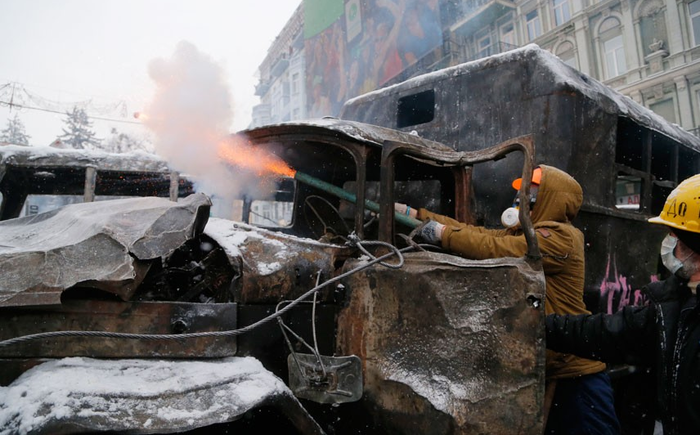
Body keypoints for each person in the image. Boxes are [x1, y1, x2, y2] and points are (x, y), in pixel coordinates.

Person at [397, 164, 620, 434]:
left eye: (532, 194)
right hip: (547, 370)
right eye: (522, 193)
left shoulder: (561, 238)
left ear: (552, 199)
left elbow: (497, 248)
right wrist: (417, 215)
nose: (521, 200)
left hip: (575, 375)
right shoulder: (524, 232)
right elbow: (479, 233)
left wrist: (442, 234)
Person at [546, 173, 700, 435]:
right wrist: (542, 326)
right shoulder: (675, 302)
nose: (670, 246)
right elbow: (611, 332)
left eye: (679, 240)